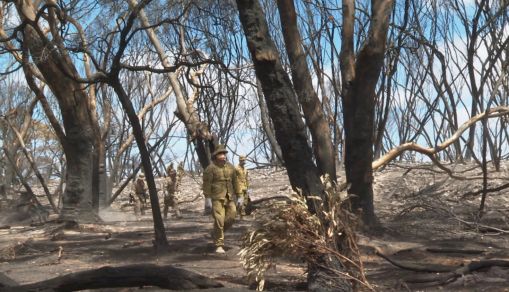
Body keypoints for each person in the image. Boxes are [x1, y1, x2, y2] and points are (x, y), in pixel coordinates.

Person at [202, 144, 240, 254]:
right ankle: (219, 244)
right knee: (219, 220)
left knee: (232, 216)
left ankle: (215, 233)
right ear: (216, 156)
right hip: (216, 198)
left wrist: (240, 195)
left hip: (229, 197)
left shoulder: (230, 167)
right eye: (220, 154)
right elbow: (207, 185)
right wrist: (207, 198)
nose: (223, 156)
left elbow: (235, 182)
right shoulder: (210, 169)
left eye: (224, 154)